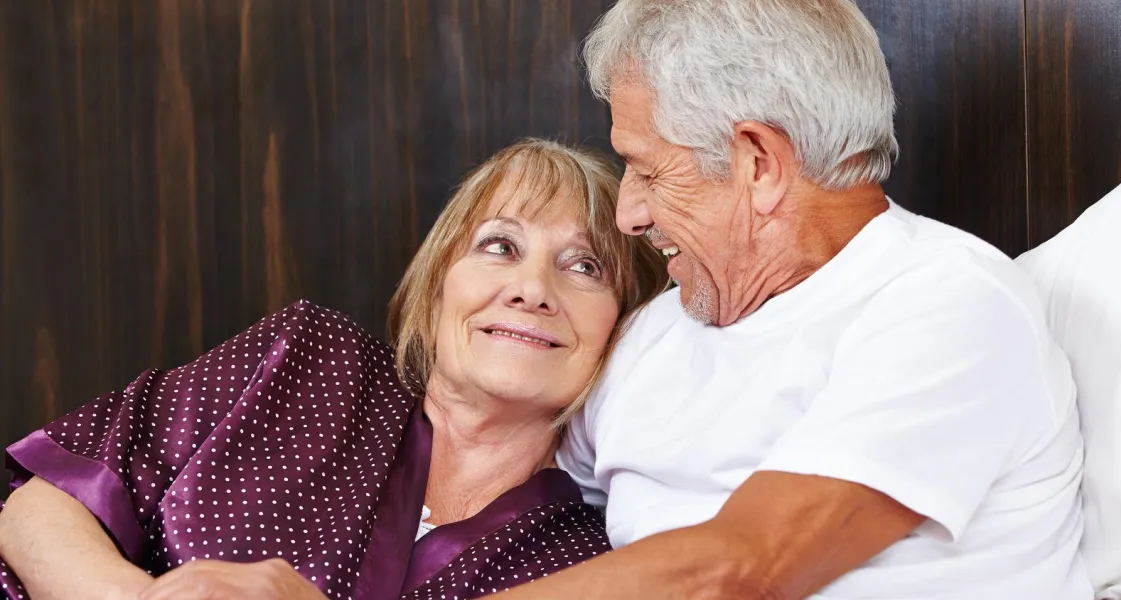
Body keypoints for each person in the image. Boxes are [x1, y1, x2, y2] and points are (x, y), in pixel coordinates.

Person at [497, 1, 1093, 599]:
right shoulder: (651, 336)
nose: (629, 214)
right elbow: (514, 493)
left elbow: (741, 571)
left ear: (758, 163)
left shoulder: (950, 303)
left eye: (647, 173)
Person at [0, 138, 669, 600]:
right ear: (438, 284)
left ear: (624, 326)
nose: (531, 288)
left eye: (585, 266)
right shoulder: (305, 360)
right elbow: (46, 501)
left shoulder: (592, 554)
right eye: (498, 245)